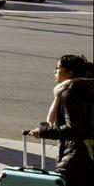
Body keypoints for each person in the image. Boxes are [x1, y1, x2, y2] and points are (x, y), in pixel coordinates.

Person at [28, 55, 94, 186]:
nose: (55, 72)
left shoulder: (68, 94)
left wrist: (44, 132)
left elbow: (73, 128)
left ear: (70, 73)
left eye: (57, 68)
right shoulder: (88, 88)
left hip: (75, 158)